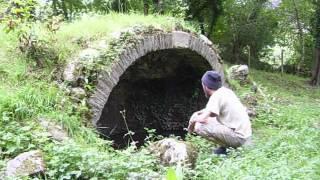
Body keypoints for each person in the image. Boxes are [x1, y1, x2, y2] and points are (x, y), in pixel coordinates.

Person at [188, 70, 252, 155]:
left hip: (240, 138)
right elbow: (211, 112)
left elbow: (202, 119)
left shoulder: (216, 96)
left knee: (199, 126)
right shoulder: (225, 91)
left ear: (206, 86)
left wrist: (192, 122)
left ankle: (228, 148)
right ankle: (227, 146)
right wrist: (197, 113)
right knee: (210, 119)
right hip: (245, 134)